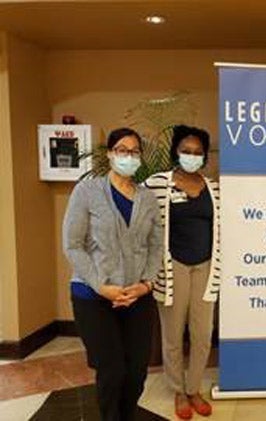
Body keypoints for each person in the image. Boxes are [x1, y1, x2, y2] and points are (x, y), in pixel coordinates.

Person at [63, 127, 163, 421]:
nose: (128, 156)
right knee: (112, 371)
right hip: (93, 296)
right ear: (109, 154)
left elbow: (156, 244)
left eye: (134, 151)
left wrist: (146, 284)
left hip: (137, 297)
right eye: (122, 149)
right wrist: (101, 286)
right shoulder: (87, 191)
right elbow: (73, 244)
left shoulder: (147, 199)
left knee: (136, 373)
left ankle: (126, 415)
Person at [144, 125, 220, 420]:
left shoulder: (212, 187)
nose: (192, 156)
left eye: (197, 152)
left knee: (202, 334)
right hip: (172, 267)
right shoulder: (157, 184)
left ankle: (194, 388)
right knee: (173, 334)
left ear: (204, 156)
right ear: (176, 151)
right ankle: (178, 390)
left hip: (205, 266)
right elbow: (146, 226)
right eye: (186, 151)